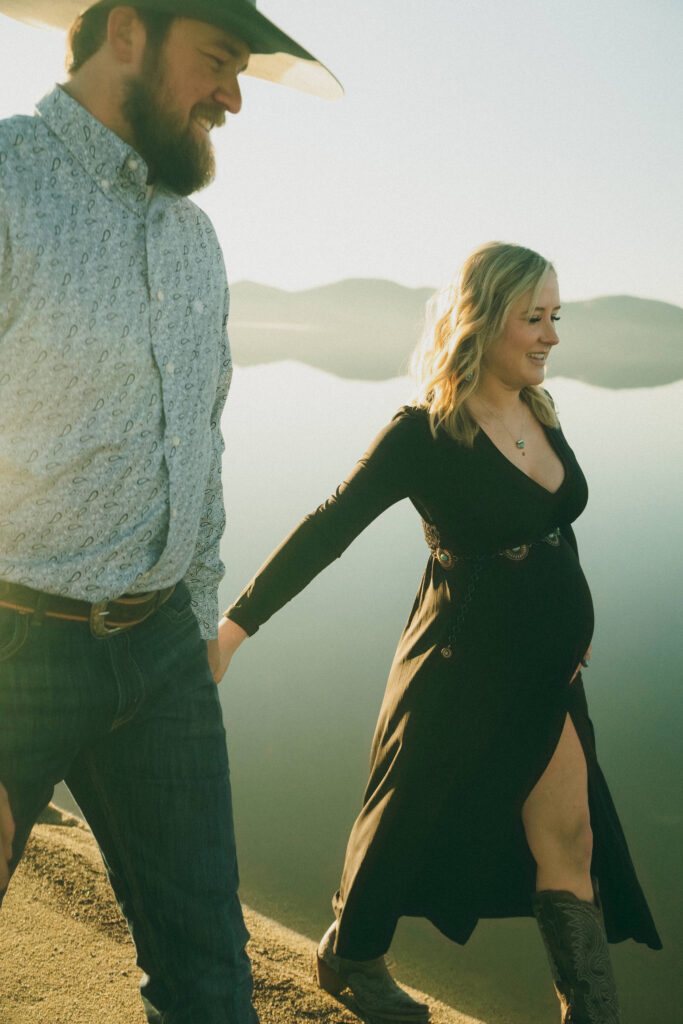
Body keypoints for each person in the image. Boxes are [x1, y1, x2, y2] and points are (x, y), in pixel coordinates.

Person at [216, 242, 661, 1024]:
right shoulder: (423, 433)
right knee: (404, 820)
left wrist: (574, 614)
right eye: (533, 318)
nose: (551, 335)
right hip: (464, 662)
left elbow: (553, 526)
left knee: (572, 842)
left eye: (554, 317)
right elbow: (328, 527)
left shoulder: (540, 410)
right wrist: (232, 629)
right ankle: (350, 956)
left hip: (548, 669)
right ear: (481, 320)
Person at [0, 2, 340, 1022]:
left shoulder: (193, 238)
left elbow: (200, 445)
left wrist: (194, 624)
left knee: (210, 978)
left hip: (160, 659)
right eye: (219, 63)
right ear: (127, 35)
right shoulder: (8, 182)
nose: (234, 98)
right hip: (16, 650)